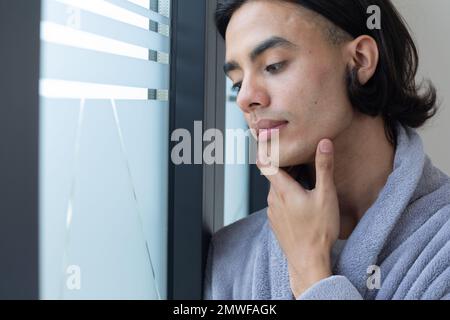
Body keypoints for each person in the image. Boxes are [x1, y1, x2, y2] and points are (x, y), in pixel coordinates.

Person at [204, 0, 450, 300]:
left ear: (360, 60)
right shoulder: (231, 255)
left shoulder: (441, 246)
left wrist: (311, 273)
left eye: (273, 65)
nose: (245, 99)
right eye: (237, 83)